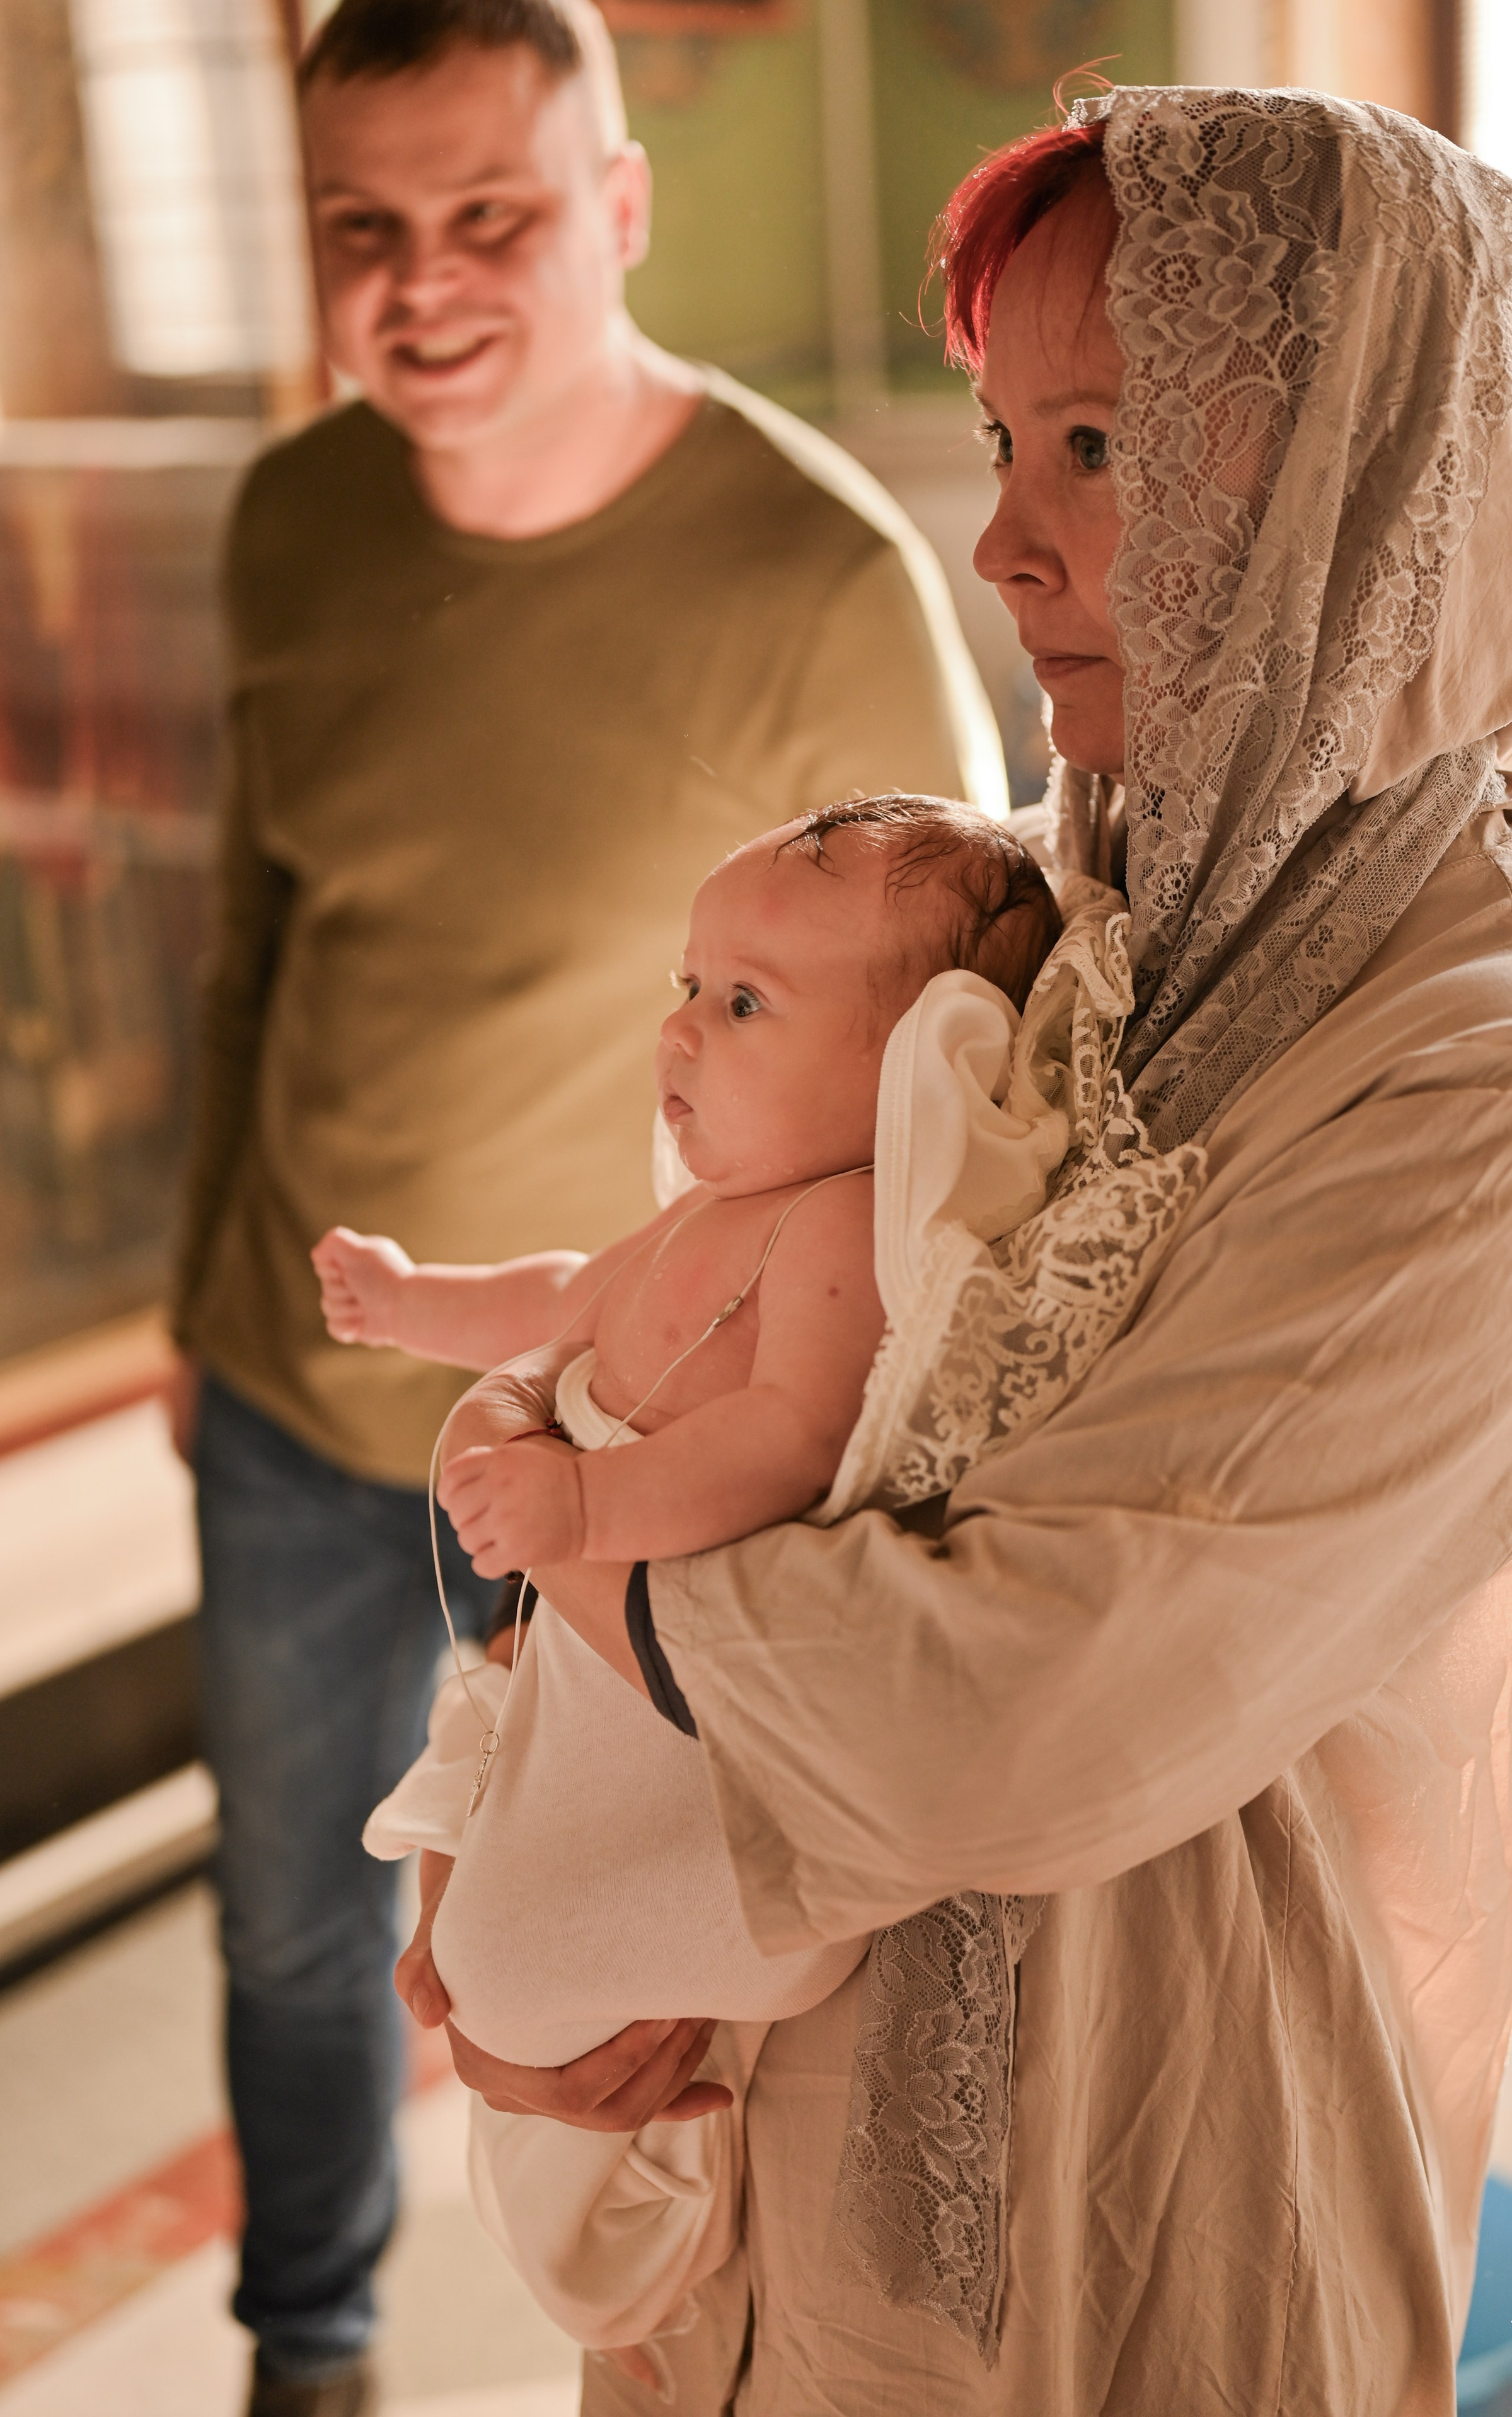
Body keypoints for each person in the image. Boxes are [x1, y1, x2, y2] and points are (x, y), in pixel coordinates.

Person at [429, 87, 1512, 2416]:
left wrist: (575, 1549)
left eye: (1106, 444)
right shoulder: (1042, 913)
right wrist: (510, 1863)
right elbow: (678, 1317)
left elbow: (1028, 1700)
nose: (1000, 539)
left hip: (1148, 2179)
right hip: (757, 2116)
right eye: (1002, 435)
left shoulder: (1493, 1092)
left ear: (1371, 484)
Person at [166, 0, 1003, 2407]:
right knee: (291, 1938)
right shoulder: (285, 517)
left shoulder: (818, 577)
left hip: (634, 1456)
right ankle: (304, 2351)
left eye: (492, 217)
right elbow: (254, 941)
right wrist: (203, 1311)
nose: (421, 283)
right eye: (365, 229)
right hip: (285, 1396)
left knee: (588, 1980)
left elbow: (946, 1095)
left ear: (618, 208)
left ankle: (668, 2339)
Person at [309, 799, 1082, 2372]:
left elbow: (785, 1440)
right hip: (585, 1679)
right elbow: (556, 1300)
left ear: (900, 1062)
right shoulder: (710, 1215)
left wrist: (584, 1498)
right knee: (476, 1925)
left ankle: (644, 2138)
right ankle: (610, 2168)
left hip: (687, 1732)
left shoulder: (837, 1232)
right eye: (686, 982)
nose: (682, 1027)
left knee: (504, 1972)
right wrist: (411, 1304)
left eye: (743, 1003)